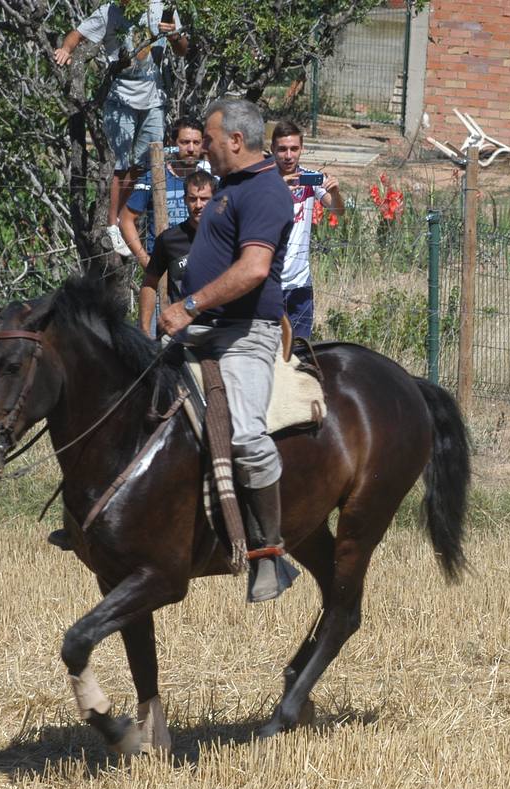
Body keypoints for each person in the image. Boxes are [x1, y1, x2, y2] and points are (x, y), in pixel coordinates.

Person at [158, 98, 296, 603]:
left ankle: (269, 553)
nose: (204, 151)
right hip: (201, 331)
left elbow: (255, 269)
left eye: (211, 141)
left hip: (243, 334)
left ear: (235, 141)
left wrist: (189, 304)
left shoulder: (264, 191)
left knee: (246, 436)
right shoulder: (229, 188)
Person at [53, 2, 188, 257]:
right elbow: (77, 33)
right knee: (120, 164)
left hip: (154, 100)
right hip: (121, 99)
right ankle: (112, 224)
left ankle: (130, 219)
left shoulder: (160, 7)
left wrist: (173, 35)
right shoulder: (109, 12)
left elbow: (182, 50)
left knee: (144, 163)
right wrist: (65, 49)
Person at [270, 120, 343, 339]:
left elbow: (338, 211)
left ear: (302, 149)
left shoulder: (310, 179)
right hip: (268, 284)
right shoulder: (263, 181)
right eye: (282, 149)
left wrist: (336, 191)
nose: (288, 155)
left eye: (294, 149)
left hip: (300, 283)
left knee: (300, 349)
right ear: (272, 149)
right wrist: (279, 188)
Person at [120, 115, 210, 269]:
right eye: (184, 142)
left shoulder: (211, 180)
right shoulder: (153, 178)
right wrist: (146, 261)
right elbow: (126, 220)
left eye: (196, 143)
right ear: (172, 143)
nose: (190, 149)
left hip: (202, 262)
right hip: (163, 265)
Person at [138, 170, 213, 336]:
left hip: (220, 327)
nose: (198, 205)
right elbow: (149, 283)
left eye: (205, 199)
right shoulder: (169, 240)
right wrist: (144, 330)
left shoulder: (227, 236)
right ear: (184, 199)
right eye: (193, 199)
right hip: (181, 330)